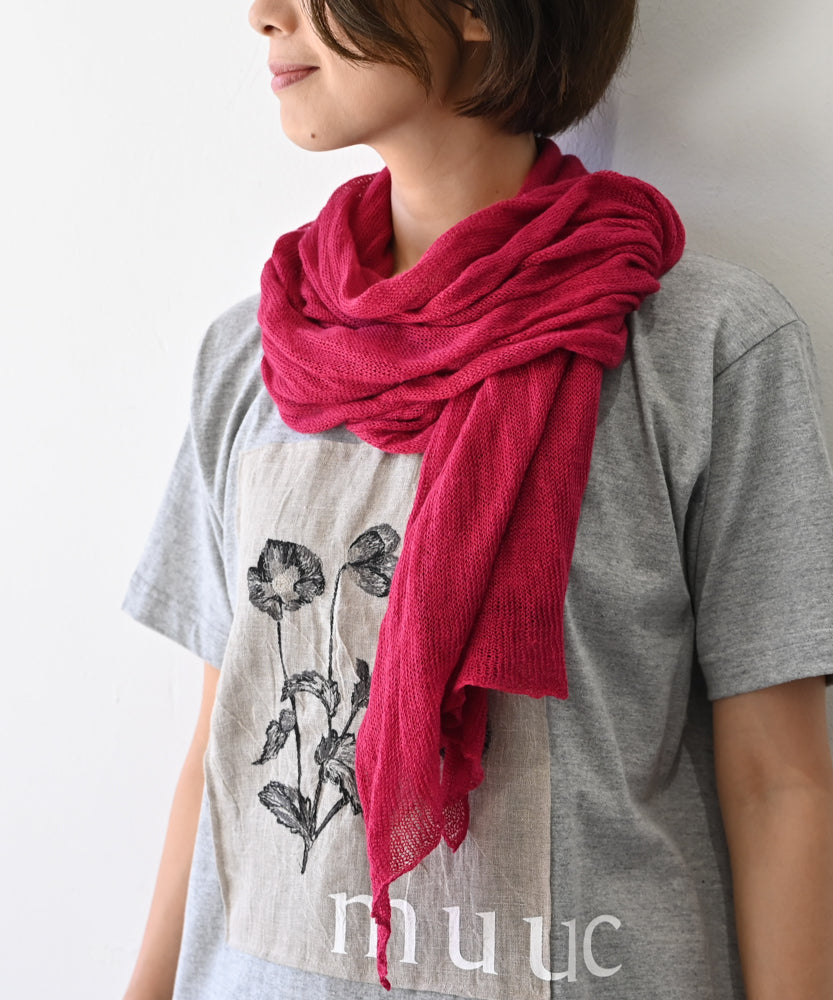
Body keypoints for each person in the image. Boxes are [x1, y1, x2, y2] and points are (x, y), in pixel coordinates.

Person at [121, 0, 833, 997]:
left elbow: (777, 781)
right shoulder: (255, 353)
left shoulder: (702, 352)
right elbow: (219, 751)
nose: (263, 15)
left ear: (472, 10)